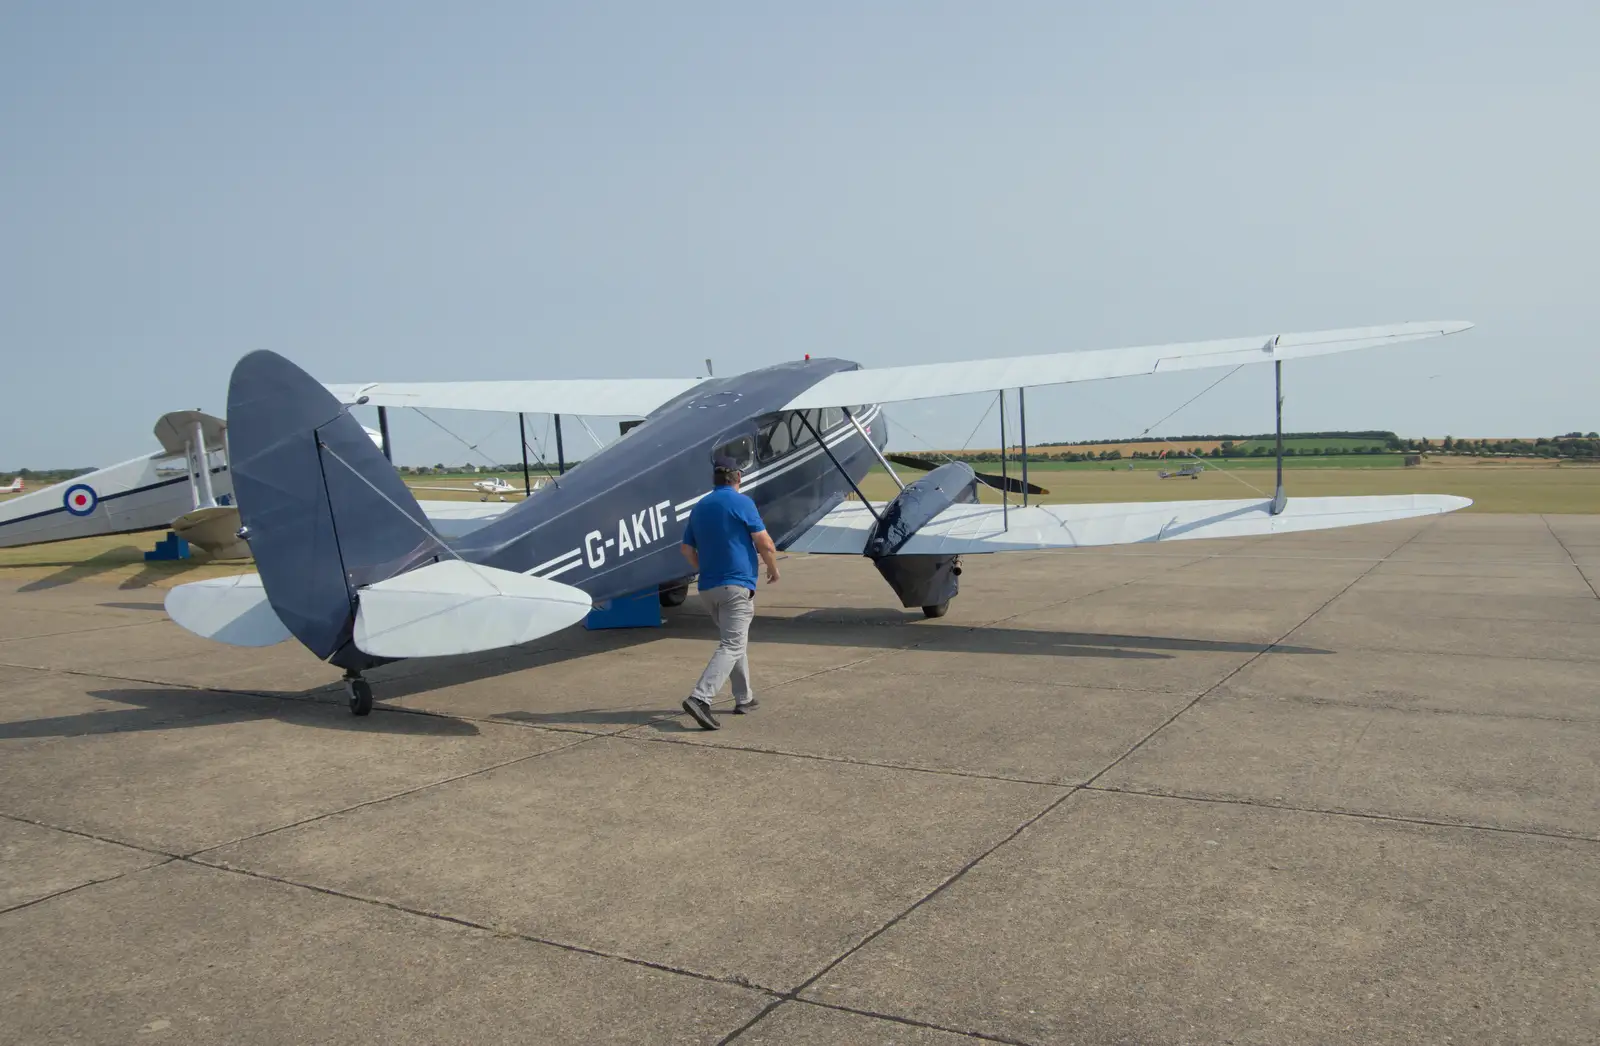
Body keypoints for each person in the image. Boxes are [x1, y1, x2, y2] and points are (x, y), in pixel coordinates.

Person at [678, 454, 780, 730]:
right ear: (738, 478)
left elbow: (686, 550)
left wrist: (705, 568)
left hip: (708, 588)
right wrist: (772, 568)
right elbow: (765, 543)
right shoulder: (742, 502)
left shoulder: (699, 507)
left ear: (714, 479)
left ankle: (743, 698)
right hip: (735, 586)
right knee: (732, 645)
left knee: (734, 642)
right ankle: (701, 698)